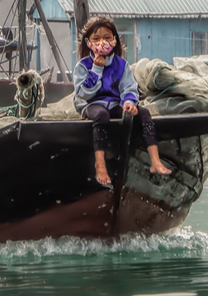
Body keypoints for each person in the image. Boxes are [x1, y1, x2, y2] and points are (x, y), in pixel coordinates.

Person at [73, 16, 171, 186]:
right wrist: (97, 69)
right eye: (96, 39)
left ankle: (155, 161)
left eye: (107, 38)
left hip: (115, 104)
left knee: (144, 113)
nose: (102, 42)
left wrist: (129, 102)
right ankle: (100, 164)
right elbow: (84, 93)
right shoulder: (82, 66)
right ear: (88, 43)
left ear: (115, 40)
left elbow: (129, 87)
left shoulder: (121, 65)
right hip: (92, 105)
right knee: (101, 115)